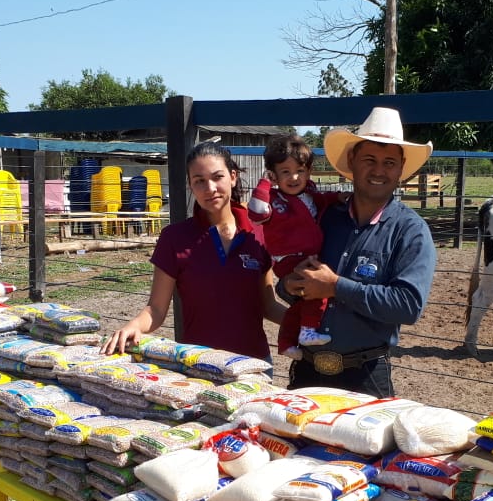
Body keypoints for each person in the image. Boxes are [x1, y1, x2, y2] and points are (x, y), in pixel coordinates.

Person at [280, 107, 436, 397]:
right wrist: (289, 285)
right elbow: (288, 278)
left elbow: (408, 305)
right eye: (369, 160)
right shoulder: (323, 217)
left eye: (389, 162)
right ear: (352, 161)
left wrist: (336, 286)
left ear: (400, 169)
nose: (379, 171)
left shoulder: (410, 231)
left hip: (366, 377)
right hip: (306, 371)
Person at [104, 141, 284, 359]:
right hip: (197, 366)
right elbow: (156, 310)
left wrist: (307, 323)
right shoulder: (174, 237)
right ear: (190, 185)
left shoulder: (259, 233)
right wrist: (133, 326)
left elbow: (269, 306)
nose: (210, 188)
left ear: (233, 177)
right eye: (199, 181)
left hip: (253, 365)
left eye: (217, 177)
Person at [247, 134, 344, 359]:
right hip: (289, 257)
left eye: (300, 170)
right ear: (274, 174)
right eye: (285, 171)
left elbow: (323, 200)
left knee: (301, 303)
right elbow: (257, 213)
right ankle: (308, 331)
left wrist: (339, 197)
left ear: (308, 171)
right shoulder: (273, 199)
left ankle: (285, 342)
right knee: (317, 288)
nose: (293, 177)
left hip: (305, 255)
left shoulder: (309, 194)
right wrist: (265, 183)